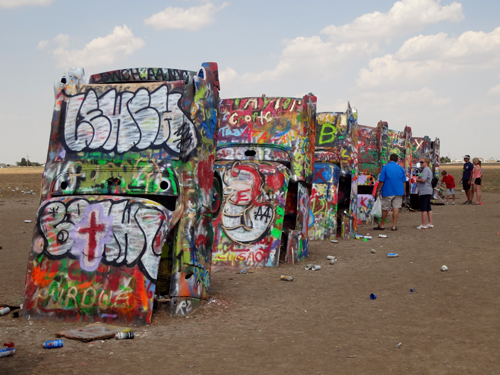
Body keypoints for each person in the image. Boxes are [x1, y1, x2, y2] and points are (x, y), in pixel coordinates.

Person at [373, 153, 407, 231]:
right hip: (399, 191)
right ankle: (394, 226)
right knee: (396, 208)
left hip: (388, 190)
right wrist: (404, 191)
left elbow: (381, 180)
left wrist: (378, 190)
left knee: (385, 208)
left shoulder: (385, 168)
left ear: (389, 159)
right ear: (397, 160)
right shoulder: (401, 168)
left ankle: (382, 225)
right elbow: (404, 181)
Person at [415, 157, 433, 229]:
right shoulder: (428, 170)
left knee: (424, 208)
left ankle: (423, 224)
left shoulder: (425, 170)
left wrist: (417, 180)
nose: (421, 163)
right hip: (428, 190)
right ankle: (430, 223)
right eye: (420, 162)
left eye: (422, 162)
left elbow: (423, 180)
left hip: (424, 191)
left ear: (426, 162)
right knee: (428, 207)